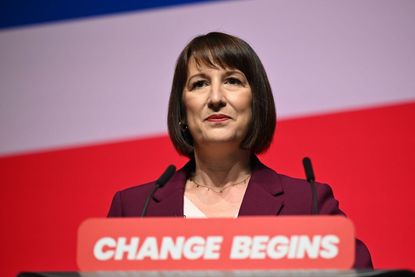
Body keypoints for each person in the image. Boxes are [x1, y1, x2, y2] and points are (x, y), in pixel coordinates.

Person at [108, 32, 373, 268]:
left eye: (232, 81)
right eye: (199, 84)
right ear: (181, 110)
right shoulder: (134, 209)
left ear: (256, 102)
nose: (215, 98)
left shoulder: (307, 203)